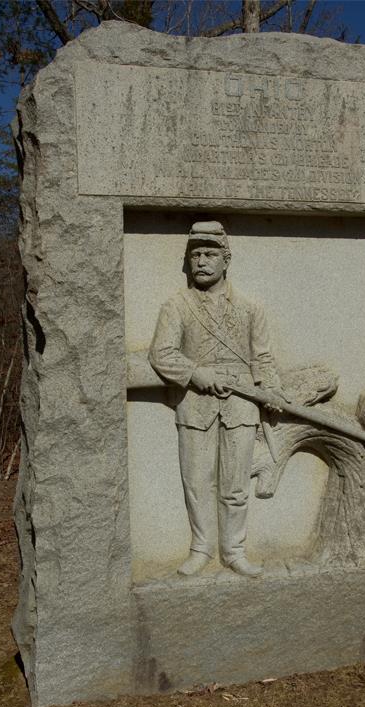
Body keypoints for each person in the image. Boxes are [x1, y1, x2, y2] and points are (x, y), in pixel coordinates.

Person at [149, 221, 285, 577]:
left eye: (210, 254)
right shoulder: (176, 306)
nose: (202, 262)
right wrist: (196, 373)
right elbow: (162, 353)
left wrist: (269, 390)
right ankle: (201, 548)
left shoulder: (250, 308)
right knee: (196, 483)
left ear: (226, 260)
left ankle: (234, 550)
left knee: (236, 485)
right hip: (195, 404)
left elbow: (263, 358)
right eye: (195, 255)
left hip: (241, 404)